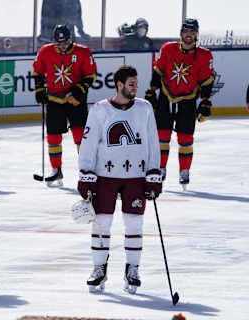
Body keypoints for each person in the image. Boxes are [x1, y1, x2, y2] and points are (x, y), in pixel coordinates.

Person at [77, 65, 162, 294]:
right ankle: (98, 268)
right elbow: (88, 143)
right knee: (101, 222)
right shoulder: (99, 110)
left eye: (136, 83)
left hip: (136, 176)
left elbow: (154, 142)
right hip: (105, 176)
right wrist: (86, 174)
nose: (135, 87)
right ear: (120, 85)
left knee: (134, 223)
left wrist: (155, 173)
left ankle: (132, 269)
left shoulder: (144, 108)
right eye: (131, 83)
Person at [145, 18, 215, 188]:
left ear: (196, 34)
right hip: (166, 98)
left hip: (188, 100)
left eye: (192, 32)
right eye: (186, 32)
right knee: (162, 137)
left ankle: (184, 171)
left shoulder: (205, 55)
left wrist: (205, 102)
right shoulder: (168, 49)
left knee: (185, 138)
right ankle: (160, 169)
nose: (188, 35)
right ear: (181, 34)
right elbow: (158, 71)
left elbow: (206, 81)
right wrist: (152, 91)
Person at [33, 24, 97, 186]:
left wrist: (78, 90)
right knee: (53, 136)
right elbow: (38, 72)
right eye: (58, 43)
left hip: (75, 101)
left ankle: (86, 168)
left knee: (80, 136)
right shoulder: (45, 52)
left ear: (70, 39)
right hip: (54, 100)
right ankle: (56, 170)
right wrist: (39, 90)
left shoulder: (83, 52)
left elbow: (91, 75)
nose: (62, 46)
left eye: (65, 42)